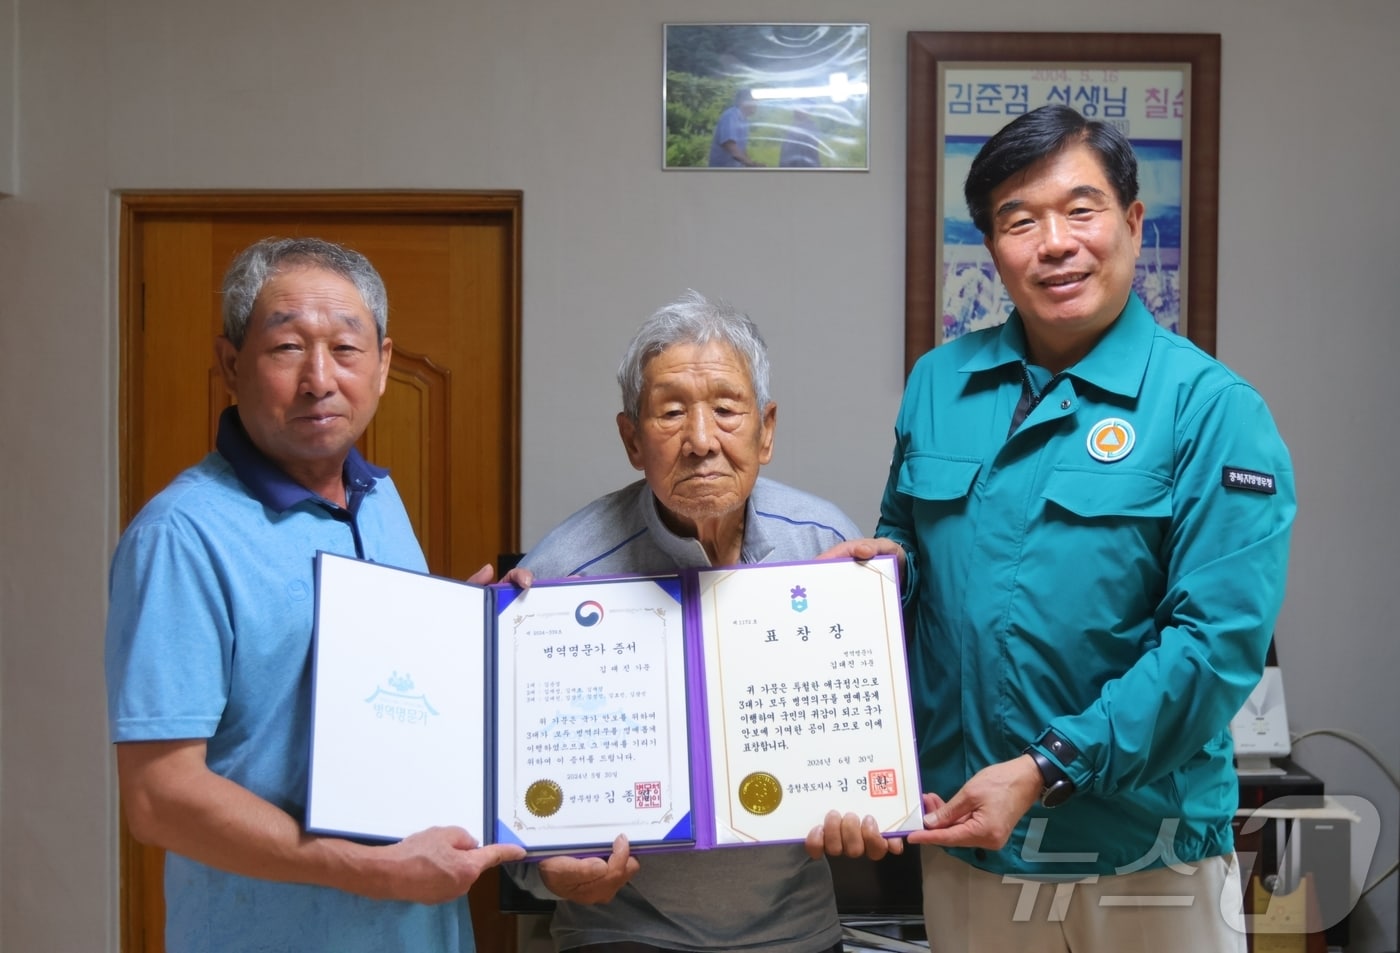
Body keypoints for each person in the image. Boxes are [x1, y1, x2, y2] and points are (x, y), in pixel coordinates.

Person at [823, 104, 1295, 951]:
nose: (1055, 242)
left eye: (1081, 210)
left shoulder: (1212, 409)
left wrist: (1045, 768)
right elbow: (910, 554)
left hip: (1144, 855)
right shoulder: (939, 382)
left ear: (1132, 223)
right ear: (992, 246)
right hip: (970, 842)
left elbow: (1215, 647)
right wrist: (875, 577)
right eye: (1019, 219)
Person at [104, 237, 525, 952]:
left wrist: (462, 629)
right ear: (232, 364)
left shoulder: (377, 498)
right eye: (288, 347)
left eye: (347, 348)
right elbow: (158, 798)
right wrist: (372, 870)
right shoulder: (181, 535)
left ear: (385, 364)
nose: (319, 378)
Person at [505, 289, 896, 952]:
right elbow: (513, 820)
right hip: (621, 933)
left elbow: (879, 736)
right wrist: (546, 872)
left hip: (797, 933)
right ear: (632, 438)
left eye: (725, 408)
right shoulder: (561, 576)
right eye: (670, 412)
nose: (702, 440)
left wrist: (878, 809)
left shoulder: (826, 547)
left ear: (765, 429)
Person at [708, 88, 763, 167]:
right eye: (752, 101)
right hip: (722, 173)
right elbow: (732, 148)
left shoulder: (744, 120)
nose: (755, 104)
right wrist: (752, 165)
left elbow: (741, 151)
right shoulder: (730, 116)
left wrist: (753, 164)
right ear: (742, 102)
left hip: (733, 172)